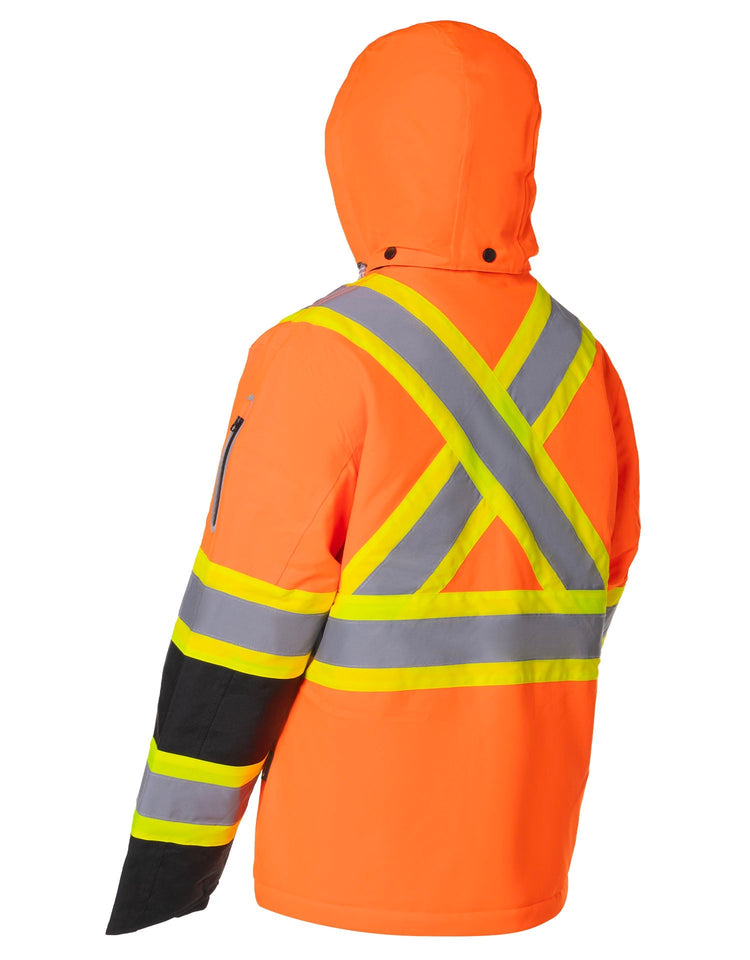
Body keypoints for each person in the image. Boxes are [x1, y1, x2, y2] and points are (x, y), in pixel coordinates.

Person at [107, 18, 641, 937]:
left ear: (357, 156)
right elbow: (595, 589)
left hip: (338, 886)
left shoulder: (318, 355)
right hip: (528, 872)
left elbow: (236, 640)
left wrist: (162, 887)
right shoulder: (587, 363)